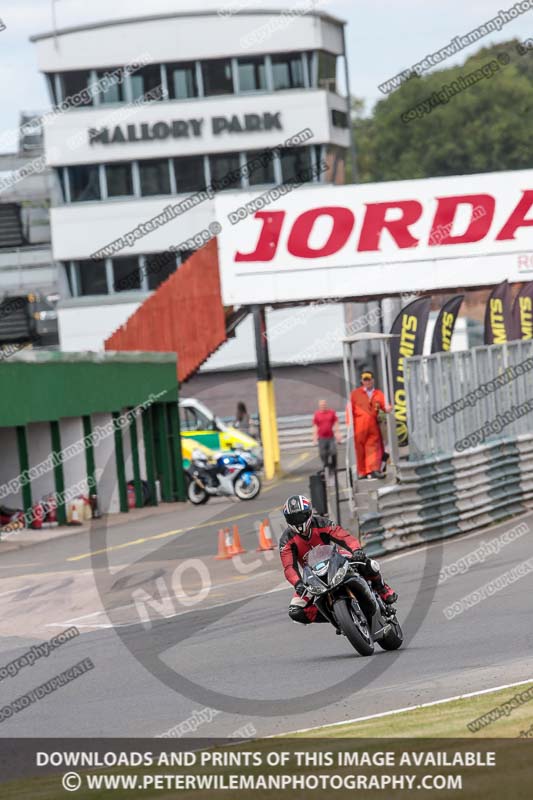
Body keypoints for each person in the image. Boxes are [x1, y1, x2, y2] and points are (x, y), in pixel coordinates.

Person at [279, 494, 397, 626]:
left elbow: (344, 536)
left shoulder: (321, 523)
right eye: (293, 518)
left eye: (300, 516)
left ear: (309, 513)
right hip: (313, 575)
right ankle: (336, 617)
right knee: (295, 611)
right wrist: (298, 583)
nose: (298, 521)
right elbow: (288, 566)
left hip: (335, 558)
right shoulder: (286, 540)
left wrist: (356, 550)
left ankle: (382, 589)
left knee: (367, 563)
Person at [350, 369, 392, 480]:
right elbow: (349, 411)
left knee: (372, 448)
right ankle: (362, 472)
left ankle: (372, 470)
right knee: (360, 449)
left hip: (372, 424)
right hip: (359, 425)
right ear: (361, 381)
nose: (367, 382)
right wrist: (351, 425)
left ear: (373, 380)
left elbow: (385, 405)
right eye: (365, 380)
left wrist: (388, 408)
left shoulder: (378, 394)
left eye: (369, 380)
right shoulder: (355, 394)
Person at [312, 399, 341, 470]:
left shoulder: (331, 413)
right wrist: (314, 437)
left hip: (330, 437)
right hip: (322, 438)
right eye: (321, 405)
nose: (323, 406)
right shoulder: (317, 414)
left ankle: (334, 466)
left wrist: (338, 434)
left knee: (333, 452)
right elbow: (315, 426)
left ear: (326, 405)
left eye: (324, 405)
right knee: (323, 454)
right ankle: (326, 466)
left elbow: (336, 423)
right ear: (319, 406)